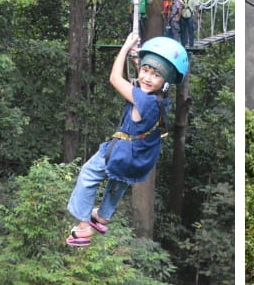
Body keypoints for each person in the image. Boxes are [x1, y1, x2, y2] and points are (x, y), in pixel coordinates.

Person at [65, 34, 189, 247]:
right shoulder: (160, 100)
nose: (147, 78)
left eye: (155, 75)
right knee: (119, 181)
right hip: (140, 156)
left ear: (165, 81)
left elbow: (114, 79)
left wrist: (125, 48)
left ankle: (84, 227)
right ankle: (102, 217)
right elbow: (144, 81)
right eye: (145, 70)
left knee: (88, 175)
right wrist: (136, 60)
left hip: (123, 150)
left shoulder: (143, 100)